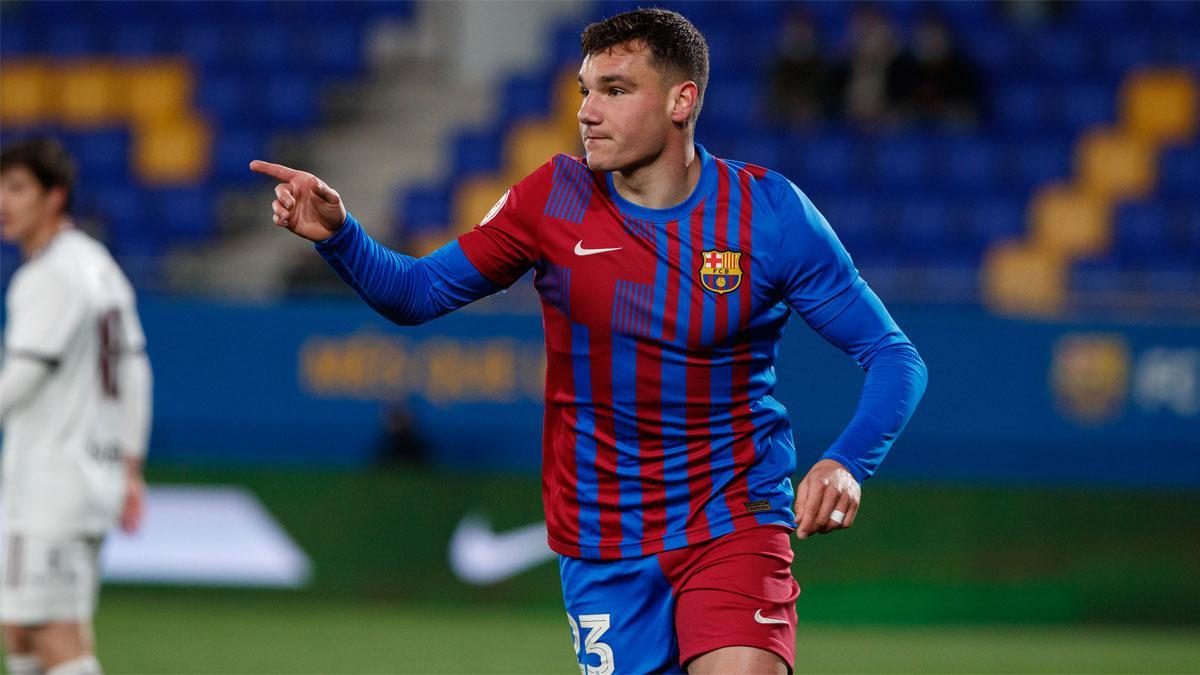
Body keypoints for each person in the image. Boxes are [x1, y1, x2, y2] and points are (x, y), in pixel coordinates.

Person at [252, 9, 926, 673]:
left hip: (732, 519)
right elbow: (417, 293)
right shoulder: (552, 198)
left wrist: (846, 462)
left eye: (616, 90)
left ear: (680, 101)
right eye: (585, 90)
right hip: (603, 541)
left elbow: (895, 357)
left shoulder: (768, 214)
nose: (588, 112)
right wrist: (341, 235)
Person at [0, 138, 152, 675]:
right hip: (91, 475)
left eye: (18, 188)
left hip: (49, 483)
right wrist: (129, 467)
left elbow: (18, 379)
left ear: (55, 197)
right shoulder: (97, 265)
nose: (3, 202)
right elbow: (135, 370)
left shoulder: (48, 275)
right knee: (19, 629)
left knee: (49, 632)